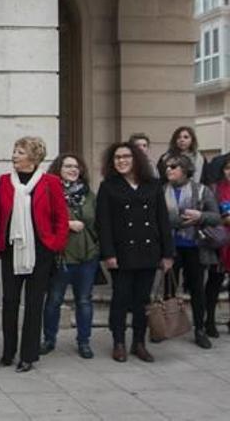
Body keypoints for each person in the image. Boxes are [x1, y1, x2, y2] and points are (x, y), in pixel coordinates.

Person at [0, 136, 68, 373]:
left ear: (33, 157)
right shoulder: (4, 181)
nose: (14, 155)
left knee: (34, 303)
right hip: (11, 249)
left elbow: (61, 218)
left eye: (20, 152)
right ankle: (8, 351)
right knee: (10, 301)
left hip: (40, 251)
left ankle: (28, 355)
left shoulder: (50, 182)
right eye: (15, 150)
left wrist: (54, 244)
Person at [96, 142, 174, 363]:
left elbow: (163, 220)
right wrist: (108, 254)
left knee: (142, 300)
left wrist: (168, 254)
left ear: (136, 159)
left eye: (126, 156)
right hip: (121, 253)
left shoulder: (153, 185)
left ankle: (139, 342)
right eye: (117, 157)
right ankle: (118, 341)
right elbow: (104, 224)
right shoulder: (108, 186)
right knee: (120, 299)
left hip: (149, 251)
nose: (121, 161)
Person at [40, 153, 100, 359]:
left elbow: (97, 222)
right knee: (54, 300)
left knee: (84, 300)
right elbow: (43, 220)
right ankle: (49, 339)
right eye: (68, 166)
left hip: (87, 256)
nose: (73, 170)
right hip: (62, 257)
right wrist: (66, 225)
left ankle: (84, 341)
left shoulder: (89, 194)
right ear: (58, 169)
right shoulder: (50, 191)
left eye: (76, 166)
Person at [161, 153, 221, 349]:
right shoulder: (161, 191)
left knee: (197, 291)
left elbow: (216, 217)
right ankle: (166, 327)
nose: (168, 170)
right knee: (169, 289)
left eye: (173, 167)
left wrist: (200, 215)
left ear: (185, 170)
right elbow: (157, 220)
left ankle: (199, 330)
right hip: (170, 248)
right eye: (167, 167)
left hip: (195, 248)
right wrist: (179, 220)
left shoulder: (202, 190)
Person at [206, 154, 230, 336]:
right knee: (214, 283)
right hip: (220, 242)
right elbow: (209, 213)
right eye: (228, 168)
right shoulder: (215, 189)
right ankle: (210, 321)